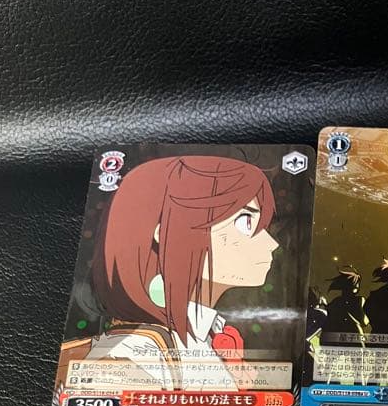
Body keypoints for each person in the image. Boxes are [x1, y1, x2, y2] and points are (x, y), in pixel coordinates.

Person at [68, 154, 280, 389]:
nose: (272, 243)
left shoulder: (208, 333)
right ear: (166, 234)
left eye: (262, 225)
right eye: (245, 222)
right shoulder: (131, 355)